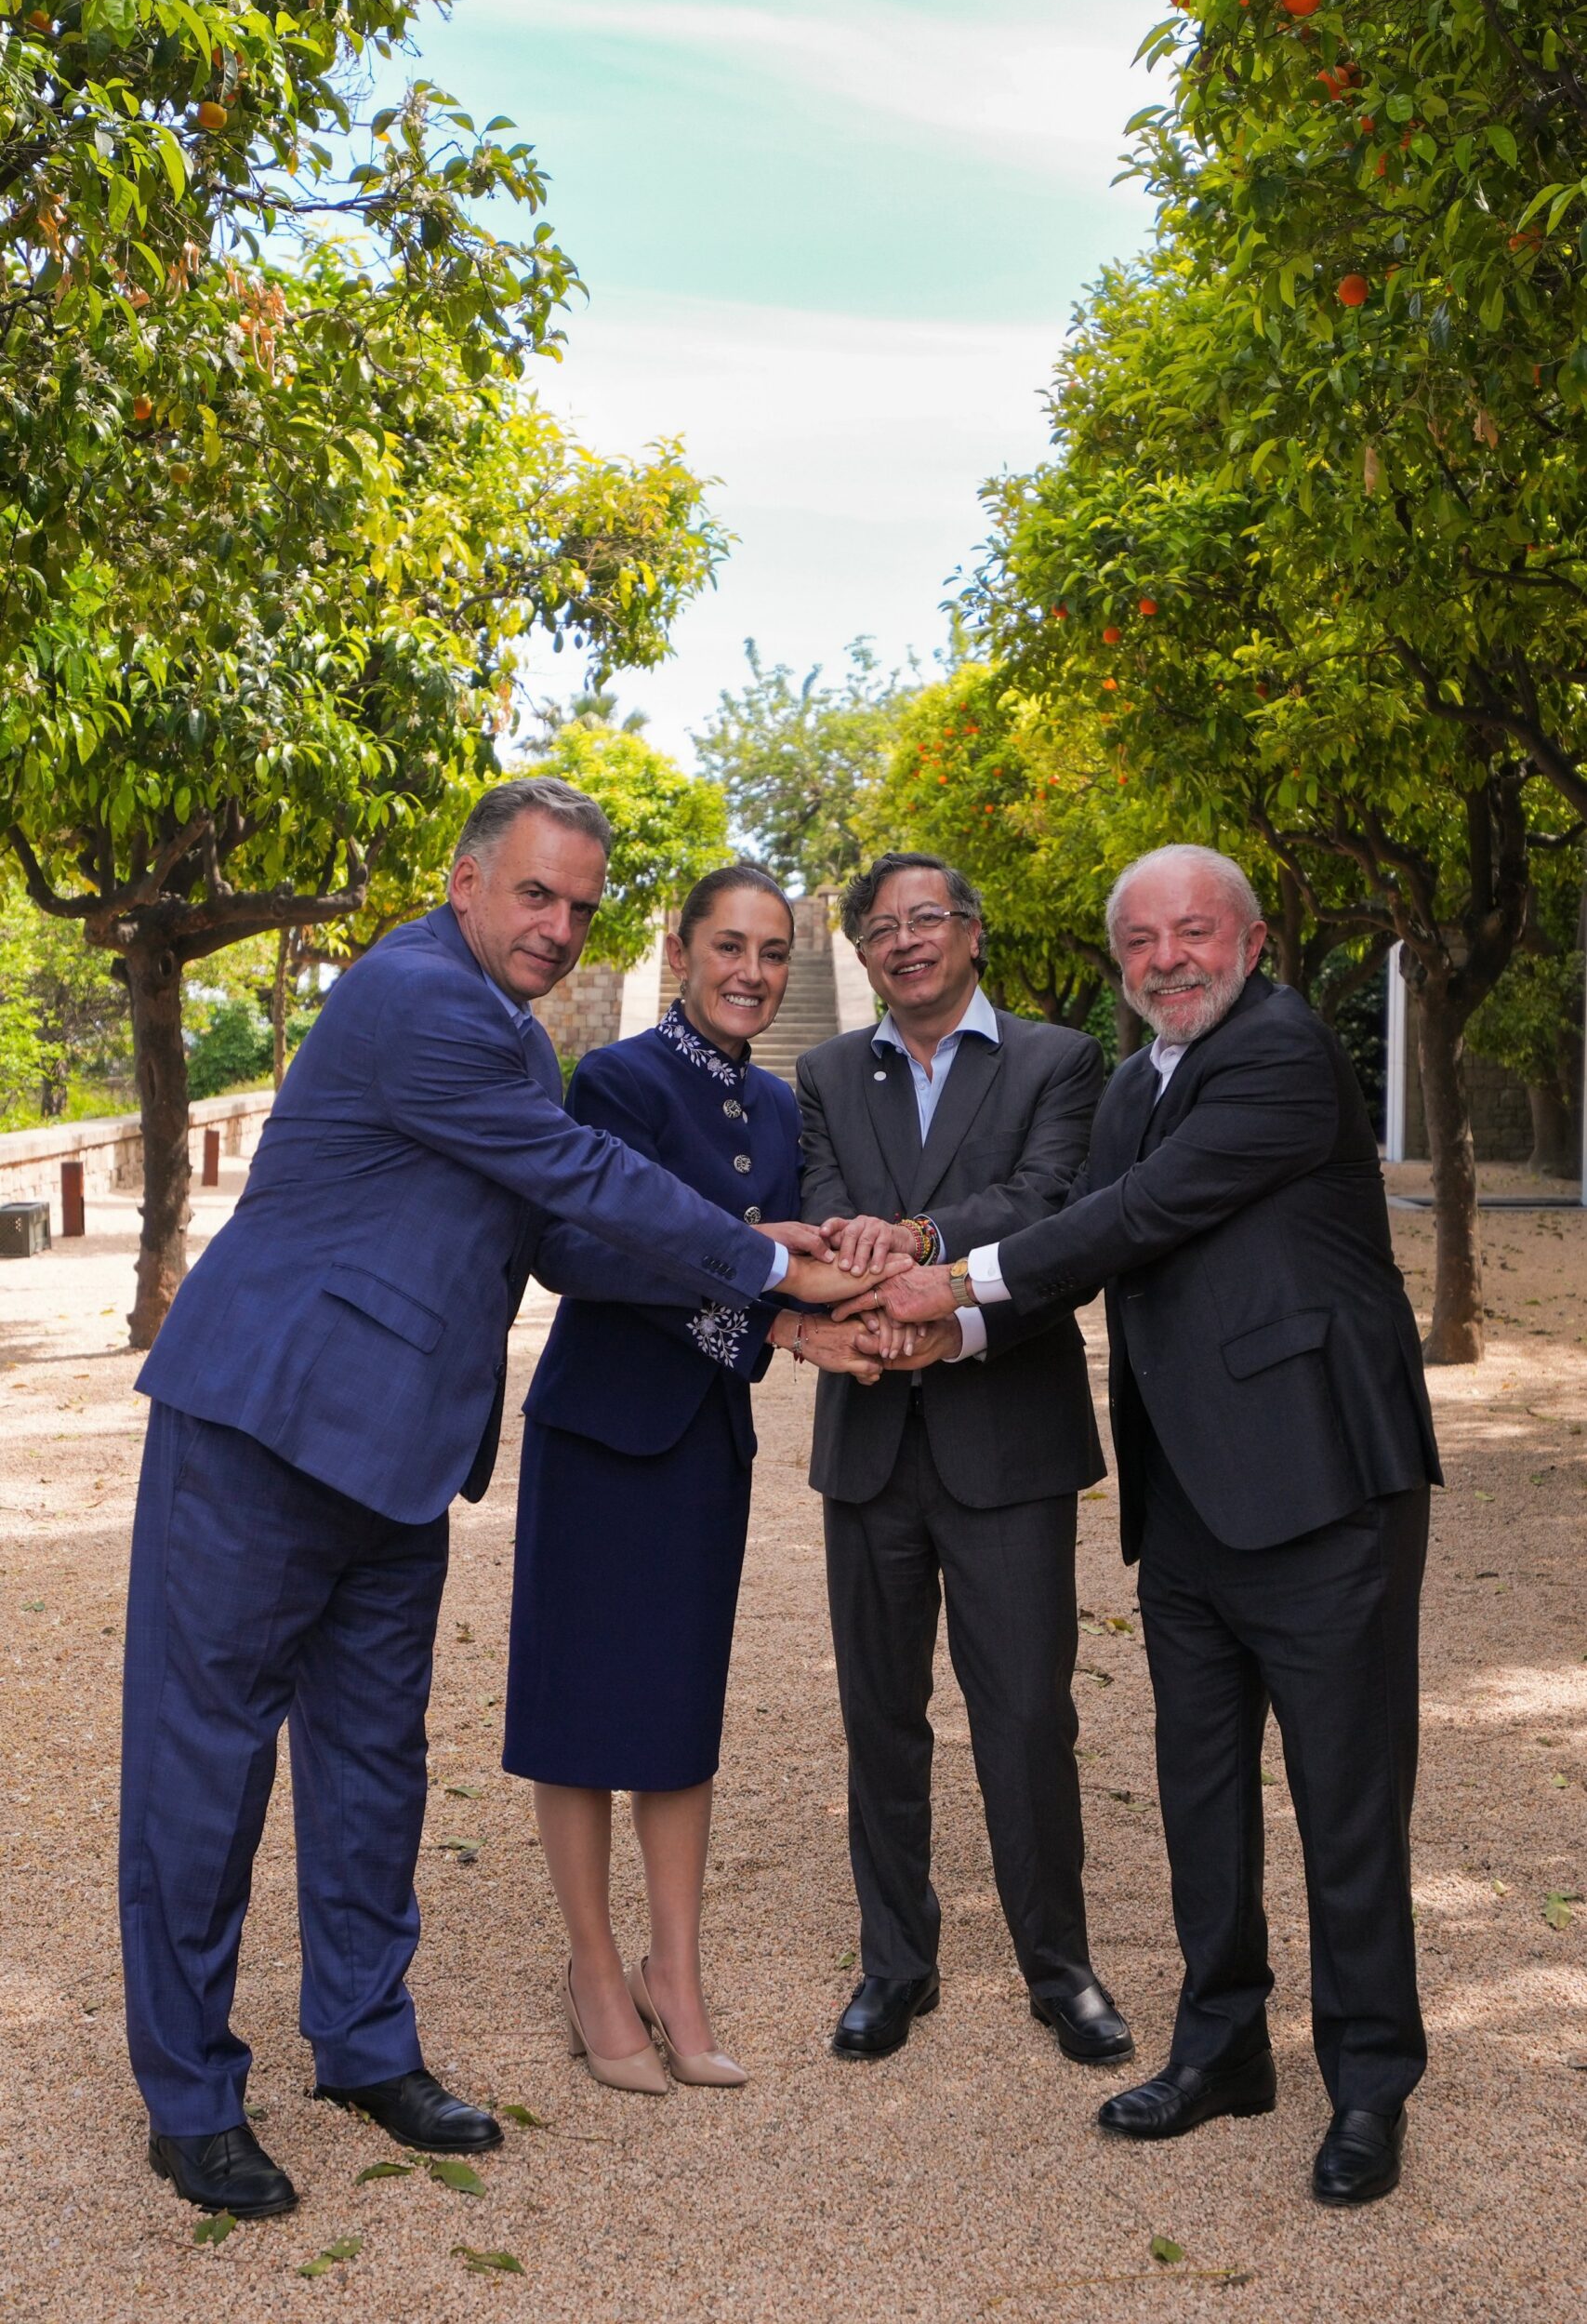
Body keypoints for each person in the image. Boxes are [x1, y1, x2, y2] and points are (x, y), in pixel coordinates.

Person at [122, 780, 896, 2220]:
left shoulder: (513, 1032)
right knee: (204, 1777)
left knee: (375, 1772)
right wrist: (771, 1264)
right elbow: (575, 1169)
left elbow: (563, 1238)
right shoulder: (418, 994)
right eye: (536, 894)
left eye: (582, 907)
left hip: (403, 1454)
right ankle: (191, 2100)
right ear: (466, 881)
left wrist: (777, 1299)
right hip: (260, 1430)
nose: (558, 927)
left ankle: (365, 2046)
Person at [866, 843, 1440, 2207]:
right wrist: (938, 1338)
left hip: (1322, 1491)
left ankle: (1370, 2083)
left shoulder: (1284, 1053)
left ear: (1251, 941)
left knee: (1348, 1804)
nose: (1167, 960)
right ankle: (1223, 2046)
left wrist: (951, 1279)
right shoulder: (1136, 1080)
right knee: (1200, 1793)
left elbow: (1144, 1212)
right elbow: (1084, 1239)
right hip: (1185, 1499)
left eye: (1194, 933)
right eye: (1141, 941)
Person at [503, 865, 884, 2093]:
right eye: (730, 947)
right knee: (577, 1718)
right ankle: (593, 1970)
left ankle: (678, 1974)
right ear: (680, 952)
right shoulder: (616, 1080)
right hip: (599, 1432)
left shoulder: (776, 1107)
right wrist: (763, 1272)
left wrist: (815, 1317)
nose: (753, 974)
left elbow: (776, 1283)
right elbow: (575, 1251)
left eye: (773, 953)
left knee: (678, 1720)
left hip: (705, 1440)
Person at [796, 851, 1132, 2067]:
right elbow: (824, 1206)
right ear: (864, 954)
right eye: (880, 928)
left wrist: (922, 1242)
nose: (905, 940)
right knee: (880, 1718)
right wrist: (876, 1288)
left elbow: (1049, 1207)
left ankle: (1060, 1966)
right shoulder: (827, 1071)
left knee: (1029, 1716)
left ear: (973, 932)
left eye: (926, 917)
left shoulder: (1060, 1061)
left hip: (1010, 1438)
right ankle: (895, 1963)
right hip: (871, 1433)